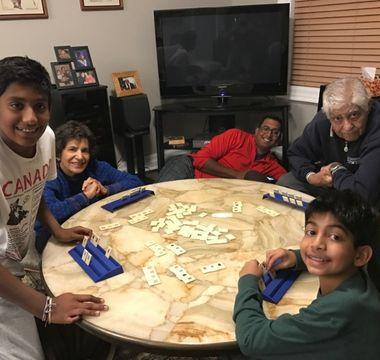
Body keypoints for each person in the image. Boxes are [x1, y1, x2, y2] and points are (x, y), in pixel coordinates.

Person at [0, 56, 108, 359]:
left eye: (40, 105)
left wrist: (56, 228)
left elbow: (34, 190)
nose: (31, 117)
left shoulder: (46, 139)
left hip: (17, 256)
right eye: (16, 105)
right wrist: (46, 307)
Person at [233, 190, 380, 359]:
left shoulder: (340, 308)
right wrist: (295, 257)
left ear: (361, 255)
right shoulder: (362, 273)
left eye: (335, 237)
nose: (317, 244)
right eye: (311, 232)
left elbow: (252, 340)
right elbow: (340, 256)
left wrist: (247, 281)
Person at [35, 120, 143, 253]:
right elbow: (51, 214)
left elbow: (135, 181)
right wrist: (85, 196)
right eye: (72, 149)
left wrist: (105, 189)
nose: (80, 156)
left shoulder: (96, 167)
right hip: (51, 239)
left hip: (89, 227)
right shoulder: (48, 175)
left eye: (84, 151)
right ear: (58, 154)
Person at [278, 77, 380, 207]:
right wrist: (311, 177)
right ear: (329, 117)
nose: (347, 126)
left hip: (367, 193)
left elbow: (363, 193)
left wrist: (335, 169)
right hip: (335, 184)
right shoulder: (322, 120)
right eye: (338, 118)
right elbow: (296, 153)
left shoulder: (377, 127)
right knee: (286, 183)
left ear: (367, 108)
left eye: (354, 115)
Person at [158, 116, 286, 183]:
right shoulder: (236, 136)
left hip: (211, 190)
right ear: (257, 131)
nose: (269, 135)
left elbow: (288, 184)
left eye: (275, 132)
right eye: (266, 129)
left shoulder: (273, 166)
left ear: (279, 139)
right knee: (161, 196)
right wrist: (238, 175)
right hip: (190, 169)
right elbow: (200, 160)